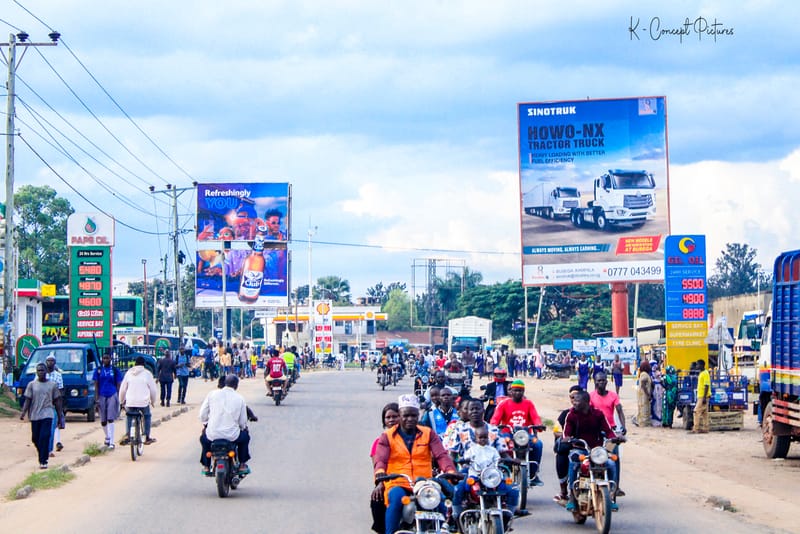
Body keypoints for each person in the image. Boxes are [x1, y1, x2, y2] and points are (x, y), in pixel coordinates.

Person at [373, 394, 457, 534]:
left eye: (413, 415)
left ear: (418, 416)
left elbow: (441, 455)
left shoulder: (428, 433)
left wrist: (450, 471)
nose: (410, 419)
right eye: (406, 416)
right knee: (396, 500)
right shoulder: (387, 436)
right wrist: (380, 471)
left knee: (442, 505)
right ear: (400, 416)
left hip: (424, 483)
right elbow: (380, 459)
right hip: (398, 482)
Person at [563, 390, 619, 512]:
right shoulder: (571, 415)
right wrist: (567, 438)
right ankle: (572, 496)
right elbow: (566, 432)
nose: (574, 403)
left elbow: (608, 431)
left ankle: (611, 496)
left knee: (611, 464)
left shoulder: (598, 414)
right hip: (579, 449)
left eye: (577, 401)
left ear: (586, 402)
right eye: (574, 400)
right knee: (574, 463)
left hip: (597, 451)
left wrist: (614, 438)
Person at [451, 425, 517, 523]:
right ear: (475, 438)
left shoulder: (492, 450)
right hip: (475, 475)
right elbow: (465, 460)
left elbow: (498, 459)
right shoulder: (471, 450)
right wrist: (464, 461)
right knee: (459, 489)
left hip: (492, 477)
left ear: (488, 437)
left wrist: (501, 460)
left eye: (485, 437)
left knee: (512, 489)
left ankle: (509, 513)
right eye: (480, 437)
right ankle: (457, 513)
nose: (483, 439)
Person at [489, 379, 545, 486]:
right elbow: (495, 419)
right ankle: (501, 470)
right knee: (501, 445)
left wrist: (539, 425)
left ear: (523, 392)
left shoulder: (529, 404)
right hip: (508, 434)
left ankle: (533, 474)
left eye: (520, 391)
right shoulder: (503, 404)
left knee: (538, 444)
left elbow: (535, 417)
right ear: (510, 391)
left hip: (525, 435)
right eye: (515, 390)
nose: (517, 393)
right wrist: (494, 426)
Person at [199, 375, 252, 475]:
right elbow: (242, 421)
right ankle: (242, 465)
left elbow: (202, 415)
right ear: (236, 385)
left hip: (213, 435)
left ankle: (206, 466)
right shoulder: (239, 398)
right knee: (245, 438)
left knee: (204, 439)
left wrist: (206, 424)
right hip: (232, 436)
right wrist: (243, 428)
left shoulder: (212, 394)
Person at [20, 363, 64, 469]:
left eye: (42, 370)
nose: (40, 372)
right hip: (35, 415)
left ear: (46, 372)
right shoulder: (32, 385)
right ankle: (42, 453)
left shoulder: (52, 385)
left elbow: (57, 402)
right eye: (39, 370)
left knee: (45, 436)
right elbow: (28, 400)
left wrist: (60, 416)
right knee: (35, 438)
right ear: (36, 372)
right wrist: (23, 412)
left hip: (47, 413)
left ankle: (43, 460)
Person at [589, 371, 626, 496]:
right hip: (596, 431)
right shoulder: (591, 396)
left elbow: (620, 411)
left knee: (614, 457)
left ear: (607, 381)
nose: (601, 382)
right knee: (593, 455)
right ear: (595, 382)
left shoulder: (613, 396)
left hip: (611, 431)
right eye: (598, 380)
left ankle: (616, 486)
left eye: (603, 380)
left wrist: (623, 426)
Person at [369, 403, 400, 534]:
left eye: (395, 416)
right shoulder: (379, 442)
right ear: (384, 421)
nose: (391, 420)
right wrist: (380, 483)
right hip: (389, 481)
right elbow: (377, 466)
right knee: (377, 499)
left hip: (412, 480)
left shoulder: (415, 437)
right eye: (388, 417)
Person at [553, 385, 583, 504]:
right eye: (572, 397)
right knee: (561, 451)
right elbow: (557, 431)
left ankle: (610, 491)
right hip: (572, 445)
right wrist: (566, 437)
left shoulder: (593, 412)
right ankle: (564, 490)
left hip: (588, 445)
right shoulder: (566, 414)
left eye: (577, 396)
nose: (574, 399)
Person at [119, 356, 158, 446]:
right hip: (143, 402)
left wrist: (121, 401)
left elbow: (122, 389)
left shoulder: (129, 373)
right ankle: (146, 436)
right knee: (147, 416)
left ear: (135, 364)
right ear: (144, 364)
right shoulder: (147, 374)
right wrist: (153, 401)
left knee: (129, 416)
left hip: (130, 402)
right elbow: (153, 390)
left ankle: (128, 435)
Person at [93, 352, 122, 448]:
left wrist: (118, 395)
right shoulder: (98, 370)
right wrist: (96, 398)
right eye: (104, 358)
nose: (105, 360)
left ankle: (112, 442)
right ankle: (107, 436)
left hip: (112, 394)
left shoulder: (114, 370)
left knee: (110, 418)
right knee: (103, 420)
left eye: (107, 358)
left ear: (110, 359)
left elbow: (118, 383)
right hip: (102, 395)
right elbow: (96, 384)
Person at [44, 355, 64, 455]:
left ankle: (53, 445)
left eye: (52, 361)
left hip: (54, 403)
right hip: (43, 403)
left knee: (54, 424)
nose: (50, 362)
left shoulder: (58, 375)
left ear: (55, 362)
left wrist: (59, 404)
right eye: (48, 361)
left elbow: (60, 390)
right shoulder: (42, 375)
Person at [693, 359, 711, 434]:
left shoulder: (705, 373)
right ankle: (705, 428)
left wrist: (704, 397)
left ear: (701, 365)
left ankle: (696, 428)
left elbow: (706, 385)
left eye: (697, 364)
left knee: (696, 411)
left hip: (703, 396)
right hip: (701, 396)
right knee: (704, 413)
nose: (696, 366)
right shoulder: (702, 373)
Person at [636, 360, 653, 427]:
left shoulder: (644, 374)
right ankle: (644, 422)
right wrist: (648, 394)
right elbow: (643, 384)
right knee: (644, 408)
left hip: (643, 394)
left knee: (644, 408)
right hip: (644, 394)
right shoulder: (644, 374)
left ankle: (644, 422)